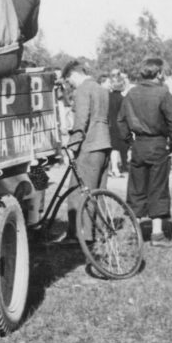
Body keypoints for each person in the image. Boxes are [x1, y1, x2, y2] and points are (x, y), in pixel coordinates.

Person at [117, 57, 172, 247]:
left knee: (136, 188)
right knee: (158, 188)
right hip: (158, 145)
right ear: (159, 73)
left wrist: (129, 142)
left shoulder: (131, 93)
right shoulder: (163, 93)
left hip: (138, 146)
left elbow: (121, 122)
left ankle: (134, 232)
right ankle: (157, 234)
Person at [60, 61, 112, 244]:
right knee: (98, 192)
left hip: (89, 147)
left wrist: (72, 148)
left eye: (68, 80)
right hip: (105, 145)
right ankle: (102, 231)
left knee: (77, 191)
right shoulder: (101, 89)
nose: (69, 85)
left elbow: (81, 122)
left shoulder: (83, 90)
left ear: (74, 74)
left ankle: (81, 236)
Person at [106, 70, 128, 176]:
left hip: (108, 124)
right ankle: (115, 169)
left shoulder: (107, 97)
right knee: (116, 148)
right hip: (118, 125)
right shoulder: (122, 99)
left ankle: (110, 168)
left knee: (111, 148)